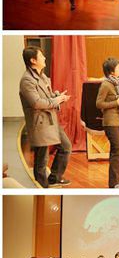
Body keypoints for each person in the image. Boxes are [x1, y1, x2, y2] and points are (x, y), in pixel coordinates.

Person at [19, 46, 72, 188]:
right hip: (40, 122)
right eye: (41, 56)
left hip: (50, 119)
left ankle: (54, 177)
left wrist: (57, 96)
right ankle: (42, 186)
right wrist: (56, 100)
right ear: (33, 60)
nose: (44, 58)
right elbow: (36, 103)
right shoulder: (27, 80)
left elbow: (48, 97)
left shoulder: (42, 76)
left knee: (65, 146)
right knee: (42, 156)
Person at [96, 57, 119, 188]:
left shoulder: (118, 83)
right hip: (110, 122)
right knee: (117, 149)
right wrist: (116, 102)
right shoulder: (106, 84)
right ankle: (113, 182)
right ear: (111, 71)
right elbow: (99, 103)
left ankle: (117, 179)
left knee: (118, 151)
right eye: (118, 67)